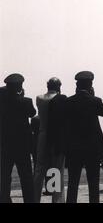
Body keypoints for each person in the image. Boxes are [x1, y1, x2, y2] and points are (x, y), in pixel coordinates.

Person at [65, 71, 103, 203]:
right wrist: (93, 96)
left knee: (73, 180)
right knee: (93, 181)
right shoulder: (95, 101)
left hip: (74, 146)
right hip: (92, 147)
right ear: (90, 85)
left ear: (77, 85)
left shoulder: (69, 101)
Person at [0, 74, 36, 203]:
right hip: (23, 145)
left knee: (4, 177)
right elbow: (33, 113)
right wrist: (21, 96)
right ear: (20, 86)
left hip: (5, 145)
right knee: (26, 177)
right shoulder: (26, 101)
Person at [33, 77, 66, 203]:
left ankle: (34, 198)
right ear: (58, 86)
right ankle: (56, 200)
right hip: (56, 136)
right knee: (56, 170)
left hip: (42, 135)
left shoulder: (39, 98)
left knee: (39, 169)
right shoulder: (60, 99)